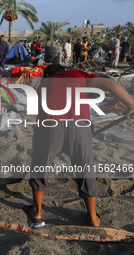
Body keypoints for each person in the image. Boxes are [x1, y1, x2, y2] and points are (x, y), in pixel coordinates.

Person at [24, 64, 134, 227]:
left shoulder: (43, 85)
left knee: (40, 166)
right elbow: (112, 85)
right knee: (85, 169)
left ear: (47, 75)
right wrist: (132, 105)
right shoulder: (77, 75)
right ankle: (92, 217)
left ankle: (37, 210)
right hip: (80, 127)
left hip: (50, 127)